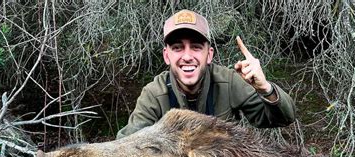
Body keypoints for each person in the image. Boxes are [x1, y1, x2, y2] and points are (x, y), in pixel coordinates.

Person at [117, 10, 296, 139]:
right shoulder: (154, 94)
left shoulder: (228, 81)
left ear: (209, 54)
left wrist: (265, 89)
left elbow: (284, 118)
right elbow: (127, 143)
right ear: (166, 55)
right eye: (178, 48)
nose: (187, 57)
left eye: (196, 47)